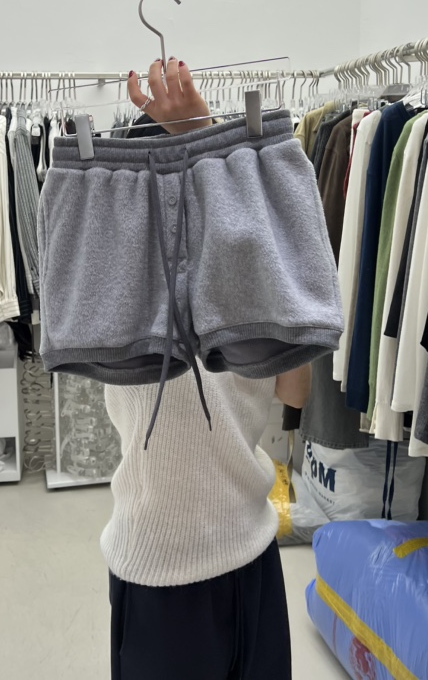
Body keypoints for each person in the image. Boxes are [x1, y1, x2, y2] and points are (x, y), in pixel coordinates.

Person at [100, 58, 311, 680]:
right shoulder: (246, 267)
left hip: (192, 551)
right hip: (218, 552)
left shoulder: (121, 275)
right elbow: (295, 388)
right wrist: (211, 142)